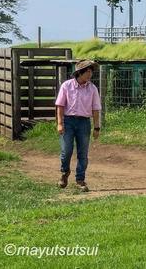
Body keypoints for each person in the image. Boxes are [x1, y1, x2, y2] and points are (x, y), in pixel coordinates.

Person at [55, 60, 101, 192]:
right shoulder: (66, 86)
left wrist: (96, 127)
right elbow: (60, 105)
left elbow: (96, 109)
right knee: (66, 151)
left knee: (83, 153)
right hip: (68, 121)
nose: (90, 73)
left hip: (84, 123)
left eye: (91, 71)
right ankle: (65, 173)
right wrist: (59, 123)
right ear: (79, 72)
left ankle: (80, 179)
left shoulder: (92, 88)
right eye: (87, 71)